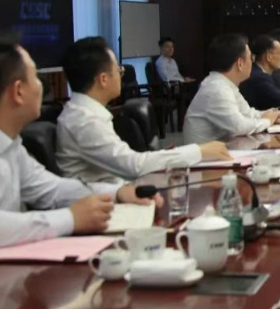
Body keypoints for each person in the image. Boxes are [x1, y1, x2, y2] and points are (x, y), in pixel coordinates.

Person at [0, 33, 161, 247]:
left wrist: (118, 193)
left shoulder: (12, 146)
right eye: (36, 77)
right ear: (18, 92)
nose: (42, 86)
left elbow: (51, 188)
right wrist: (70, 219)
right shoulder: (81, 119)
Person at [56, 37, 231, 184]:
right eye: (118, 70)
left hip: (113, 193)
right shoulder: (85, 120)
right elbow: (133, 165)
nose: (121, 74)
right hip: (99, 205)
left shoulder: (85, 112)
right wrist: (198, 151)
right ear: (103, 79)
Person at [183, 33, 280, 144]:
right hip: (205, 154)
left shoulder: (225, 84)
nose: (252, 62)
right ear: (240, 63)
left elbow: (247, 113)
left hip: (223, 149)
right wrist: (267, 121)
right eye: (251, 58)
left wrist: (273, 114)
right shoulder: (217, 89)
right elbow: (239, 126)